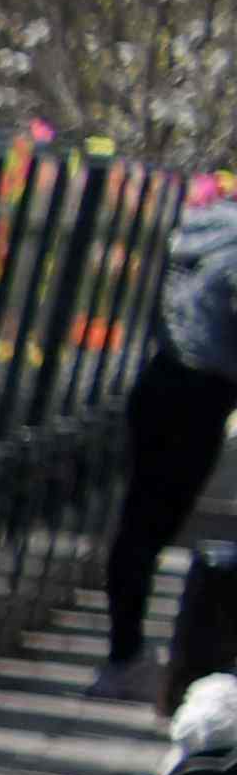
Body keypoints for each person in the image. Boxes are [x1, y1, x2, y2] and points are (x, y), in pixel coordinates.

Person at [118, 184, 237, 701]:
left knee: (139, 521)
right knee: (160, 519)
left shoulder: (197, 227)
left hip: (159, 380)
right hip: (204, 390)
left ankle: (123, 653)